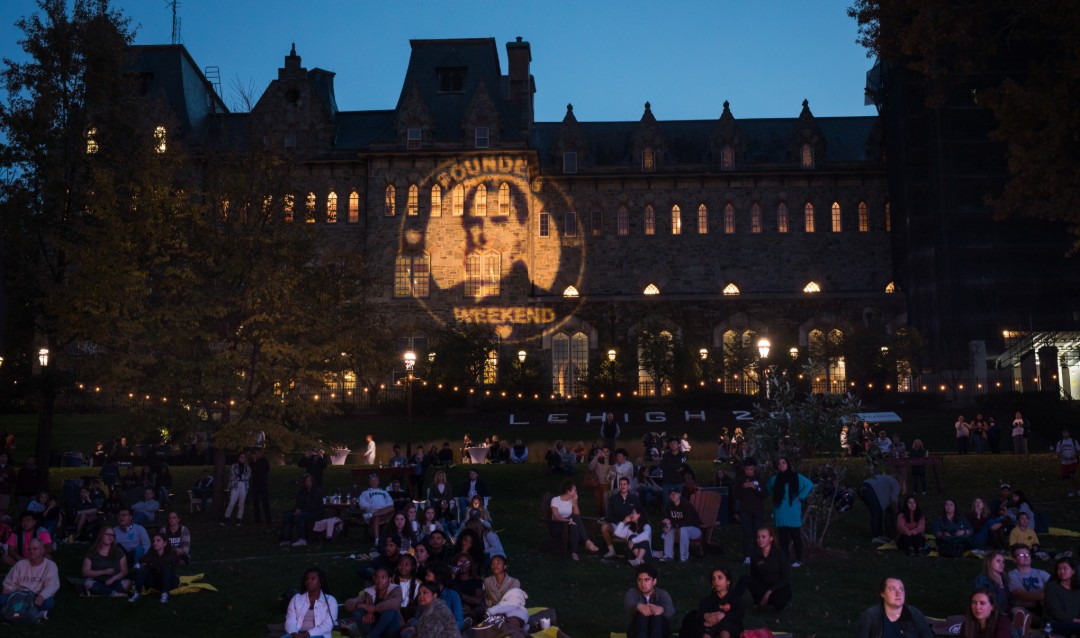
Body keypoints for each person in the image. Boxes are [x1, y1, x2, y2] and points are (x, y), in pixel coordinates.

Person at [766, 456, 814, 566]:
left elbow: (809, 485)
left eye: (783, 463)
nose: (781, 465)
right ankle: (785, 560)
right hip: (780, 510)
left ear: (788, 464)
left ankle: (798, 560)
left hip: (793, 510)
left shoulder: (796, 477)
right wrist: (775, 495)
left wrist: (801, 496)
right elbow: (768, 487)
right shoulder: (775, 478)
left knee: (796, 536)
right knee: (783, 538)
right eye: (779, 463)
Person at [854, 576, 934, 638]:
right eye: (893, 589)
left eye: (901, 589)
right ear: (882, 594)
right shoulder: (871, 616)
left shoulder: (915, 615)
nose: (898, 594)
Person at [734, 526, 792, 611]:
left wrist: (769, 592)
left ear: (771, 538)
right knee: (744, 579)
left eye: (763, 537)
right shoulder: (755, 555)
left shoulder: (780, 555)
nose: (760, 539)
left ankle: (771, 602)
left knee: (779, 602)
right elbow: (754, 577)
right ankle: (732, 603)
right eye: (758, 537)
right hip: (763, 586)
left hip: (778, 587)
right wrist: (756, 600)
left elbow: (785, 578)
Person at [0, 539, 59, 619]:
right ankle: (34, 614)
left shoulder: (50, 566)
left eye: (35, 549)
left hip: (35, 597)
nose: (31, 551)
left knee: (49, 602)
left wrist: (42, 595)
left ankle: (13, 612)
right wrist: (8, 589)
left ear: (42, 550)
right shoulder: (20, 564)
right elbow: (9, 582)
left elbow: (52, 585)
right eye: (29, 549)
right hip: (18, 595)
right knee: (2, 598)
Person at [680, 566, 744, 638]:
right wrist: (706, 616)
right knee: (706, 628)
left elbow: (739, 614)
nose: (716, 581)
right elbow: (700, 614)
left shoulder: (735, 598)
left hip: (731, 628)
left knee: (725, 624)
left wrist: (723, 615)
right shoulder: (707, 600)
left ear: (728, 581)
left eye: (720, 578)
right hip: (711, 628)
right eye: (714, 579)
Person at [549, 478, 601, 561]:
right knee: (573, 522)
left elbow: (576, 514)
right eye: (574, 490)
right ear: (568, 491)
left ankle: (574, 552)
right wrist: (569, 521)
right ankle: (587, 542)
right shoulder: (555, 500)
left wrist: (575, 502)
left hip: (569, 524)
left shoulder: (571, 500)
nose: (576, 492)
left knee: (574, 523)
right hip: (557, 525)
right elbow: (556, 517)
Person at [344, 566, 402, 637]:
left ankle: (372, 636)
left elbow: (395, 603)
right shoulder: (369, 592)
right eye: (377, 577)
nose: (379, 580)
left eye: (383, 577)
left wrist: (373, 609)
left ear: (389, 580)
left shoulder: (395, 589)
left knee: (390, 611)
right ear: (374, 579)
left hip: (390, 628)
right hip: (373, 626)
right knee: (356, 611)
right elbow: (348, 604)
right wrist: (364, 606)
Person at [283, 567, 338, 638]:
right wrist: (295, 634)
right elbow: (290, 621)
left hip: (318, 635)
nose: (309, 581)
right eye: (307, 579)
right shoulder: (296, 599)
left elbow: (328, 625)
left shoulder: (330, 600)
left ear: (321, 581)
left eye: (312, 579)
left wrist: (306, 635)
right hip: (297, 634)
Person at [623, 563, 675, 638]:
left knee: (657, 617)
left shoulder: (662, 594)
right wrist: (638, 606)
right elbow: (628, 604)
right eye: (640, 580)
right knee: (641, 616)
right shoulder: (632, 592)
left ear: (654, 581)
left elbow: (671, 610)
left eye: (647, 580)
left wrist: (662, 609)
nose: (643, 584)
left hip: (659, 631)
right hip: (637, 632)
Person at [128, 533, 179, 604]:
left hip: (170, 583)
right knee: (143, 568)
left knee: (165, 567)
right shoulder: (152, 552)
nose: (155, 543)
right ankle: (137, 593)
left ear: (165, 543)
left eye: (158, 541)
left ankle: (165, 594)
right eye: (154, 541)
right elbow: (142, 559)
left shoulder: (172, 553)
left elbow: (168, 561)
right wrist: (153, 563)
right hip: (156, 583)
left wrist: (151, 563)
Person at [1007, 544, 1051, 627]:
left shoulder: (1041, 573)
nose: (1026, 557)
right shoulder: (1012, 575)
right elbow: (1022, 595)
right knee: (1016, 611)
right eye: (1021, 555)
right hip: (1027, 609)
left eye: (1027, 554)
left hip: (1044, 608)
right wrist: (1044, 595)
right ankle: (1044, 624)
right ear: (1014, 559)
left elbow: (1054, 587)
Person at [81, 527, 130, 597]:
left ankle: (104, 591)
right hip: (97, 580)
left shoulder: (119, 552)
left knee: (126, 583)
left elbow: (124, 571)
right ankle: (114, 594)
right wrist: (103, 572)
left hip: (114, 580)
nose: (110, 537)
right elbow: (85, 572)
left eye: (112, 535)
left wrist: (112, 579)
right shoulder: (92, 553)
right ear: (101, 535)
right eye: (107, 534)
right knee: (88, 583)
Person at [734, 458, 766, 565]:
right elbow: (736, 495)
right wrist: (743, 488)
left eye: (751, 469)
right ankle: (747, 556)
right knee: (747, 533)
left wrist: (756, 488)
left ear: (754, 468)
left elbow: (764, 494)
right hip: (745, 511)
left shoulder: (759, 479)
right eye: (747, 469)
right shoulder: (740, 479)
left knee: (758, 533)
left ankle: (758, 556)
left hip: (757, 511)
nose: (749, 471)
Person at [278, 474, 324, 547]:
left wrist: (301, 510)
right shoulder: (302, 492)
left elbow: (314, 505)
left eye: (309, 481)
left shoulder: (316, 492)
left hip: (314, 513)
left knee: (299, 517)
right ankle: (286, 539)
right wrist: (296, 509)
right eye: (306, 481)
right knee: (287, 516)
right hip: (302, 511)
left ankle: (302, 539)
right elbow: (298, 503)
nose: (307, 482)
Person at [602, 476, 643, 558]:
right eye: (620, 484)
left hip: (630, 524)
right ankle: (611, 550)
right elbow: (609, 515)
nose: (622, 486)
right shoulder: (613, 499)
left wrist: (630, 520)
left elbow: (640, 513)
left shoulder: (634, 499)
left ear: (629, 486)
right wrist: (619, 522)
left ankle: (632, 550)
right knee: (604, 527)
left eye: (624, 484)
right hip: (616, 523)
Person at [661, 488, 702, 562]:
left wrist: (672, 524)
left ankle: (684, 557)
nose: (673, 496)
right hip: (679, 530)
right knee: (669, 529)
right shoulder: (669, 506)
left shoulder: (686, 505)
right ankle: (668, 556)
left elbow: (687, 522)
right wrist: (667, 524)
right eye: (671, 494)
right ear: (669, 496)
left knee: (683, 529)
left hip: (695, 530)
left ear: (679, 495)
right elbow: (667, 519)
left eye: (675, 494)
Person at [1044, 557, 1080, 637]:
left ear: (1073, 571)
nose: (1061, 571)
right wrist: (1073, 620)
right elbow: (1053, 610)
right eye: (1059, 569)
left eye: (1065, 568)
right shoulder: (1052, 587)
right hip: (1055, 623)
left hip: (1074, 623)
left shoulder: (1077, 590)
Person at [861, 472, 900, 544]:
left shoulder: (885, 477)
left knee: (877, 512)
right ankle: (875, 537)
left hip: (863, 488)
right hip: (870, 489)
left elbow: (883, 494)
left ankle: (879, 535)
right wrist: (897, 512)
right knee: (876, 513)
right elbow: (894, 499)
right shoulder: (895, 483)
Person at [974, 551, 1010, 617]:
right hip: (991, 614)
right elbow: (982, 599)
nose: (1002, 564)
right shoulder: (983, 579)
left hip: (1006, 612)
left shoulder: (1004, 578)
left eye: (1003, 562)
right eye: (998, 561)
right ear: (989, 562)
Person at [221, 451, 251, 526]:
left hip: (244, 485)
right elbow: (232, 475)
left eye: (244, 457)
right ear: (238, 458)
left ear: (245, 459)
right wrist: (238, 476)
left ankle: (239, 519)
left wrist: (238, 476)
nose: (242, 459)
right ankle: (226, 517)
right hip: (235, 485)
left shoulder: (247, 467)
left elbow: (247, 476)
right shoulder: (234, 465)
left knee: (241, 503)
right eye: (241, 457)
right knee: (231, 502)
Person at [250, 448, 272, 525]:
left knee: (265, 503)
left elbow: (265, 469)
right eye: (255, 453)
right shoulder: (252, 462)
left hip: (263, 485)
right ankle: (257, 520)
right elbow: (252, 471)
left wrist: (257, 465)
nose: (257, 455)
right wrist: (254, 462)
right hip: (255, 485)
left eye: (258, 453)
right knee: (256, 503)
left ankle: (268, 520)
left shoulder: (264, 461)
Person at [1056, 429, 1078, 497]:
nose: (1065, 434)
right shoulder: (1060, 442)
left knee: (1072, 476)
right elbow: (1058, 452)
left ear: (1069, 433)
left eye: (1066, 432)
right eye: (1063, 433)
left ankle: (1077, 489)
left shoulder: (1073, 441)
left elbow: (1078, 450)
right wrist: (1063, 456)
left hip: (1073, 461)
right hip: (1064, 462)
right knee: (1067, 478)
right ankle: (1070, 490)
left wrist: (1074, 456)